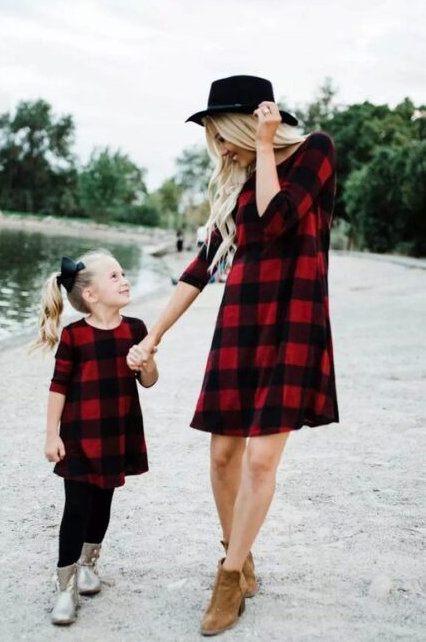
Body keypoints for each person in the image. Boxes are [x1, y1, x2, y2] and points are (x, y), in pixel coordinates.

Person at [129, 75, 338, 636]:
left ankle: (228, 580)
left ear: (254, 121)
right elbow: (200, 267)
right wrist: (155, 335)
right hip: (241, 325)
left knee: (261, 461)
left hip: (294, 323)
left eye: (222, 133)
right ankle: (239, 553)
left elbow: (277, 220)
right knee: (223, 457)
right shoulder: (241, 181)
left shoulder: (314, 150)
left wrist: (267, 146)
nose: (219, 147)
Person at [34, 249, 158, 626]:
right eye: (115, 276)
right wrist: (51, 435)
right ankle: (65, 586)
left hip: (116, 433)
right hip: (80, 434)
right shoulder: (75, 336)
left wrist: (146, 359)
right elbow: (58, 387)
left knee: (104, 500)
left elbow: (149, 381)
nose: (125, 280)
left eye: (123, 274)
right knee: (76, 508)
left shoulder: (135, 329)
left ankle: (89, 564)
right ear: (90, 295)